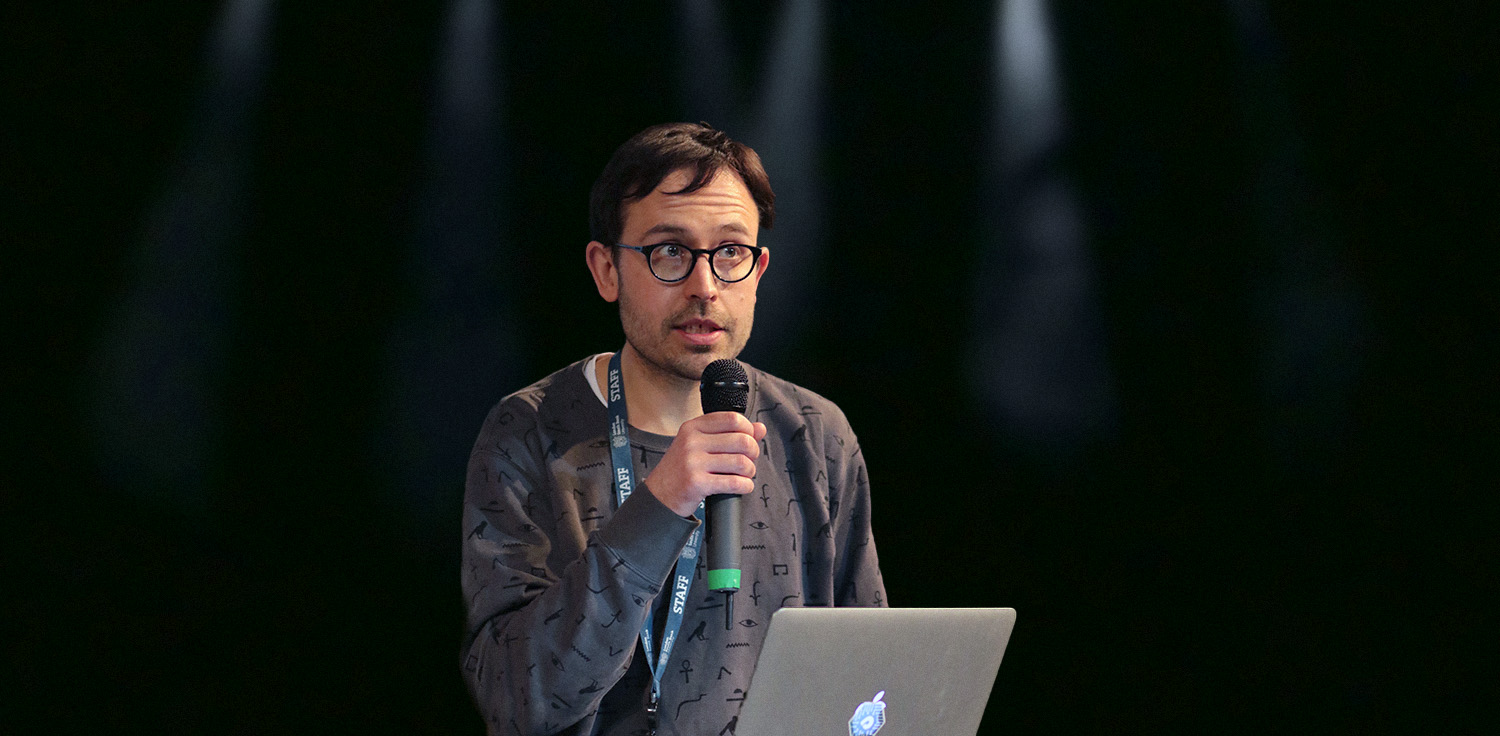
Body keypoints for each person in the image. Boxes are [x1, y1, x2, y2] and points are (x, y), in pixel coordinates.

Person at [460, 122, 886, 736]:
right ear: (606, 270)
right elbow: (519, 702)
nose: (705, 287)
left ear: (760, 269)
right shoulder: (528, 432)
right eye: (669, 252)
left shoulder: (815, 433)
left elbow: (872, 680)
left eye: (730, 253)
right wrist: (658, 505)